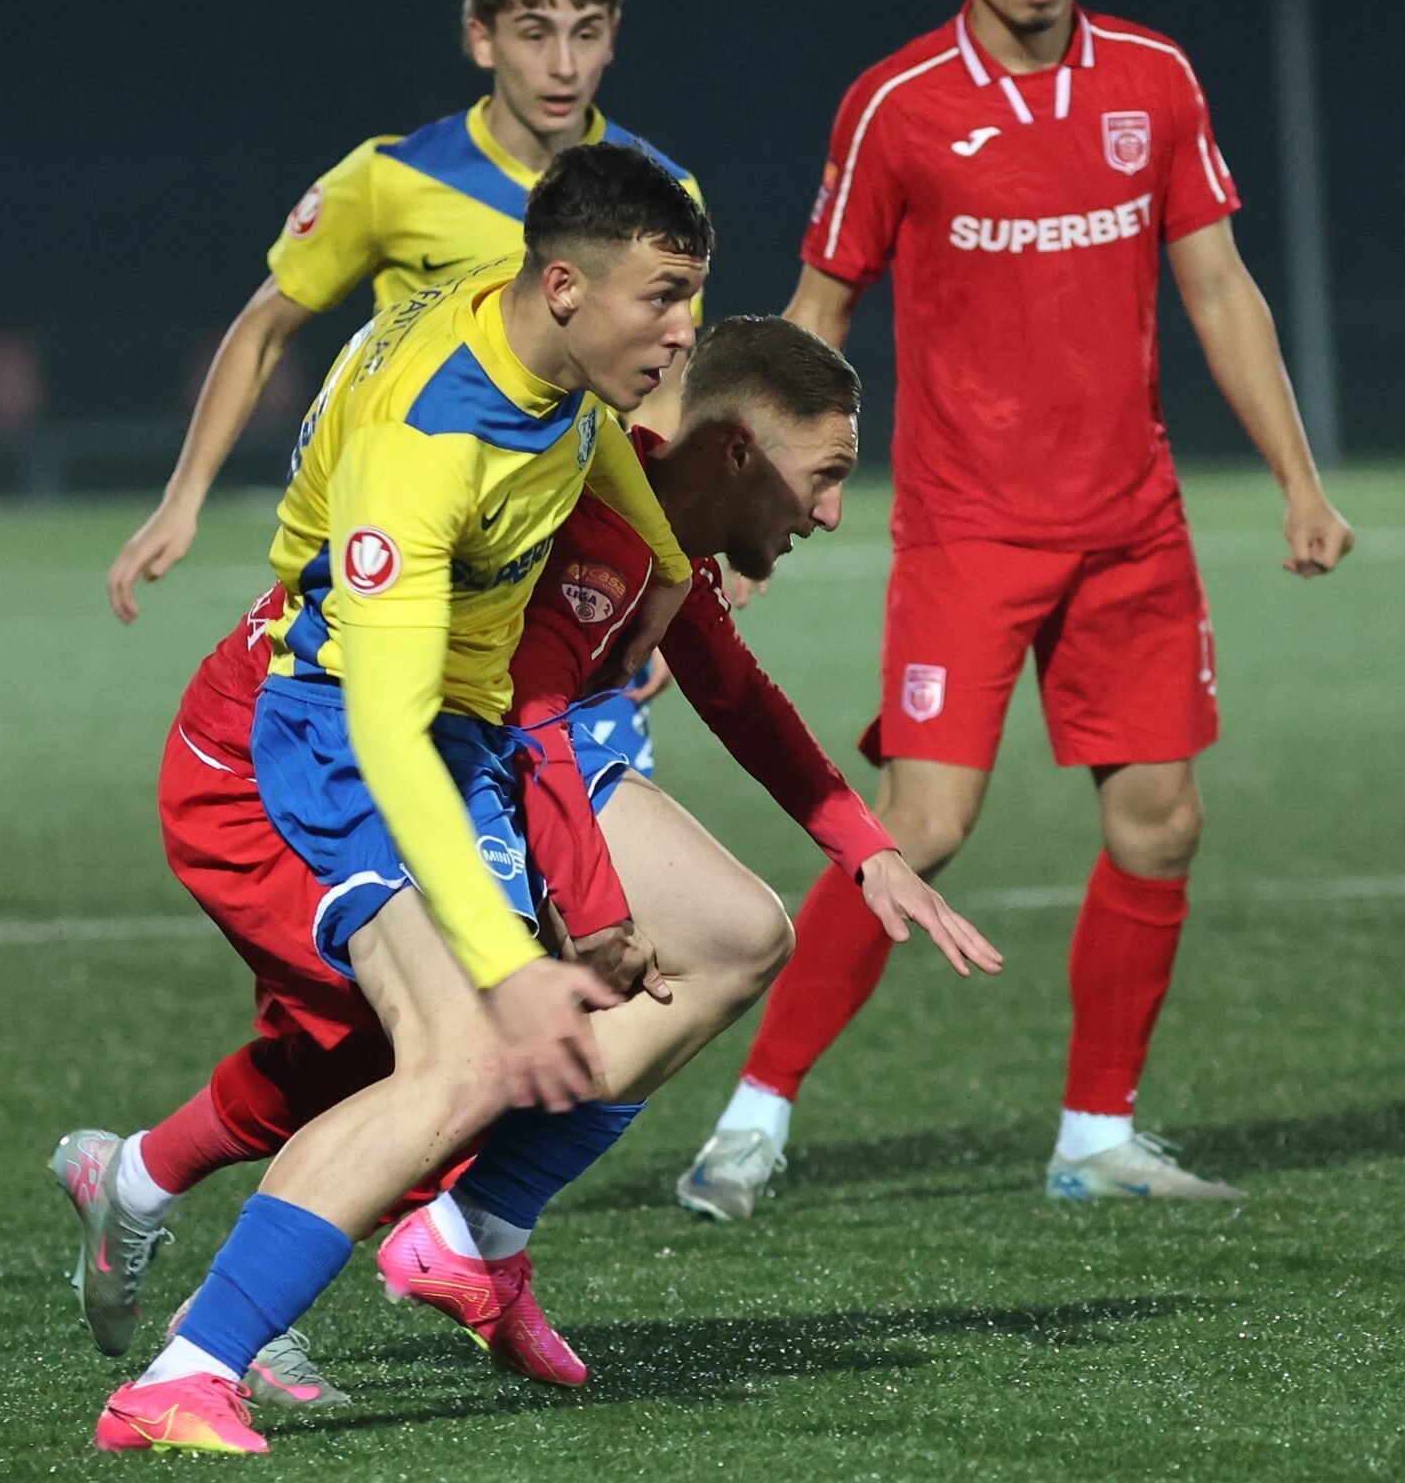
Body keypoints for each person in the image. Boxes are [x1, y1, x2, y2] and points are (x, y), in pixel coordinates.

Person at [56, 318, 993, 1412]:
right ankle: (209, 1338)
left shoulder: (651, 519)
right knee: (450, 1052)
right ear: (740, 450)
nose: (832, 511)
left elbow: (727, 693)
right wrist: (590, 912)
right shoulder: (580, 501)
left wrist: (868, 849)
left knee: (727, 936)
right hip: (284, 762)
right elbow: (535, 712)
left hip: (458, 757)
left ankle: (458, 1233)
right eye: (824, 475)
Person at [678, 0, 1354, 1218]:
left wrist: (1298, 479)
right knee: (920, 824)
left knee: (1161, 823)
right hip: (968, 532)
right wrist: (740, 506)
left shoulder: (1155, 81)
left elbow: (1218, 285)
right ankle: (751, 1119)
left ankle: (1095, 1137)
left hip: (1131, 528)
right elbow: (816, 314)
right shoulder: (897, 104)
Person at [85, 142, 710, 1455]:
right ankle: (187, 1368)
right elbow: (379, 722)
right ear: (563, 287)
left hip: (453, 730)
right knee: (462, 1052)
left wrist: (660, 558)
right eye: (661, 299)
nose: (681, 332)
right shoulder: (424, 442)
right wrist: (505, 959)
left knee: (688, 954)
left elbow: (582, 431)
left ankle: (453, 1239)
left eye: (688, 297)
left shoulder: (536, 336)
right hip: (330, 731)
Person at [105, 0, 703, 626]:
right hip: (415, 543)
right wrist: (183, 497)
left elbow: (662, 389)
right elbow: (265, 327)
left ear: (613, 38)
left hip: (567, 566)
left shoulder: (666, 195)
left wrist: (667, 555)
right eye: (534, 33)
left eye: (586, 33)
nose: (564, 65)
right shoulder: (393, 179)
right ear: (481, 39)